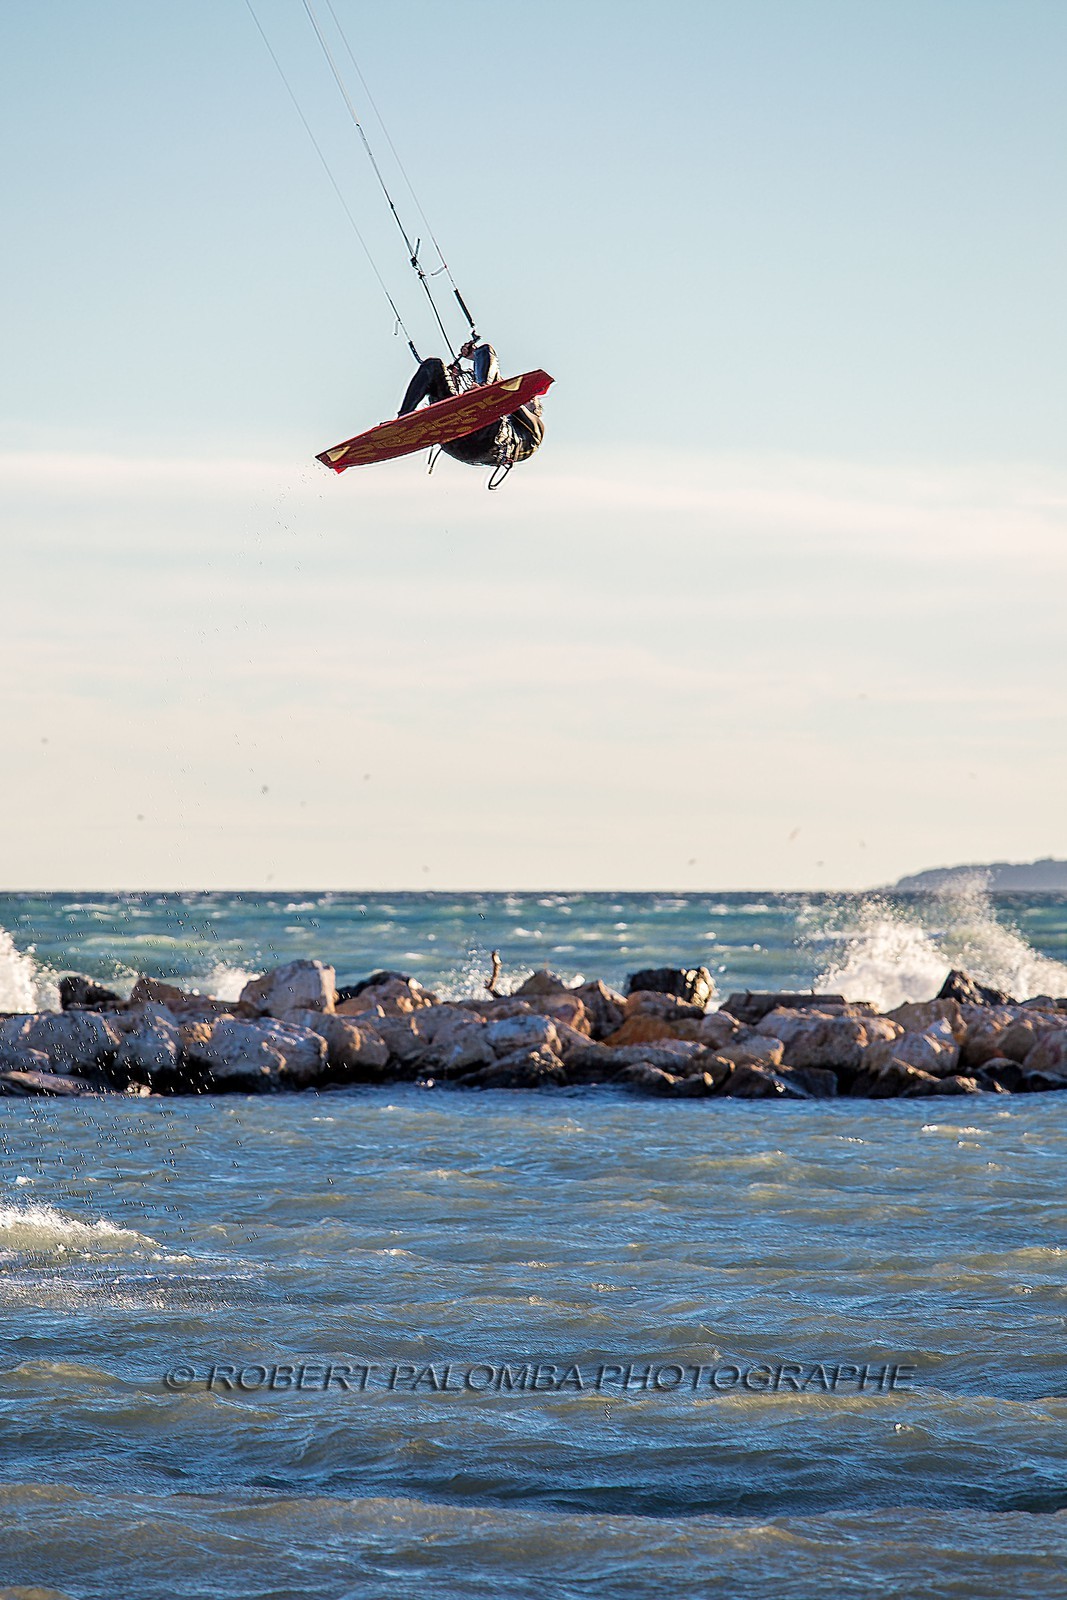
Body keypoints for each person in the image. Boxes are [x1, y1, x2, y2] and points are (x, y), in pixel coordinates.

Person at [398, 340, 544, 470]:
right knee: (433, 367)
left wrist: (483, 388)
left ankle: (482, 389)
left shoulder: (536, 430)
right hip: (455, 442)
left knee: (487, 351)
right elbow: (502, 387)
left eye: (531, 400)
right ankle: (404, 419)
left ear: (535, 410)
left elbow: (510, 395)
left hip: (487, 442)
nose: (529, 398)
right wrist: (474, 358)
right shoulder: (503, 409)